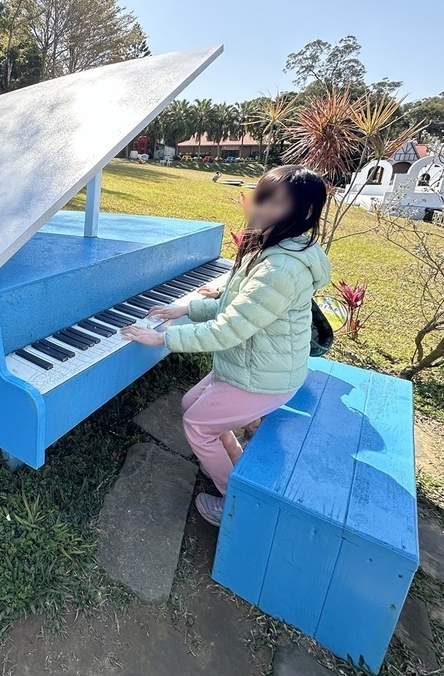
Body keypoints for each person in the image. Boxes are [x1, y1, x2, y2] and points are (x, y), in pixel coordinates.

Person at [120, 165, 331, 526]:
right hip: (252, 363)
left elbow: (228, 330)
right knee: (191, 404)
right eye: (263, 198)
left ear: (306, 211)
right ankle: (235, 463)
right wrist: (187, 308)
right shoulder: (274, 248)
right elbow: (235, 308)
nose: (263, 209)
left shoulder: (281, 268)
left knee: (196, 425)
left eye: (278, 203)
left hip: (265, 377)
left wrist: (164, 337)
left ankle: (233, 501)